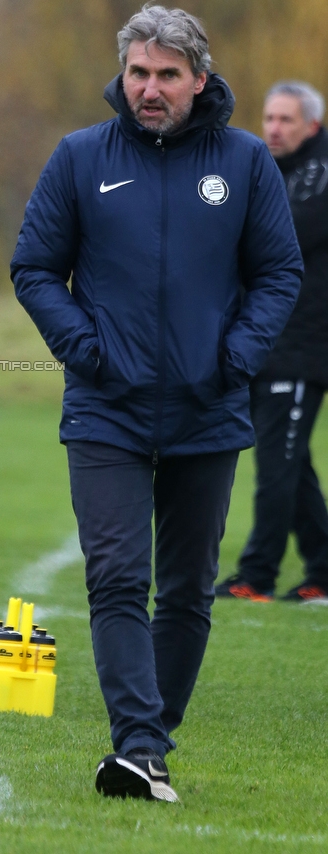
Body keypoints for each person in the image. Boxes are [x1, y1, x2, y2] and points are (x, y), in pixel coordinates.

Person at [10, 4, 302, 802]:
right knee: (114, 575)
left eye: (167, 75)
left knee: (185, 589)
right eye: (138, 72)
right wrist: (87, 348)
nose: (149, 88)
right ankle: (138, 742)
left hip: (209, 410)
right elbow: (34, 266)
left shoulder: (244, 164)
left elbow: (280, 274)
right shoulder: (78, 158)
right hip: (107, 409)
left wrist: (236, 359)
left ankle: (149, 745)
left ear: (199, 79)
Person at [216, 82, 328, 602]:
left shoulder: (319, 175)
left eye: (286, 119)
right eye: (268, 118)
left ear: (312, 125)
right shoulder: (272, 170)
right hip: (268, 342)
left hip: (303, 346)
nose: (274, 128)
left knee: (277, 465)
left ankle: (256, 574)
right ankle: (324, 570)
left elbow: (278, 236)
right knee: (291, 461)